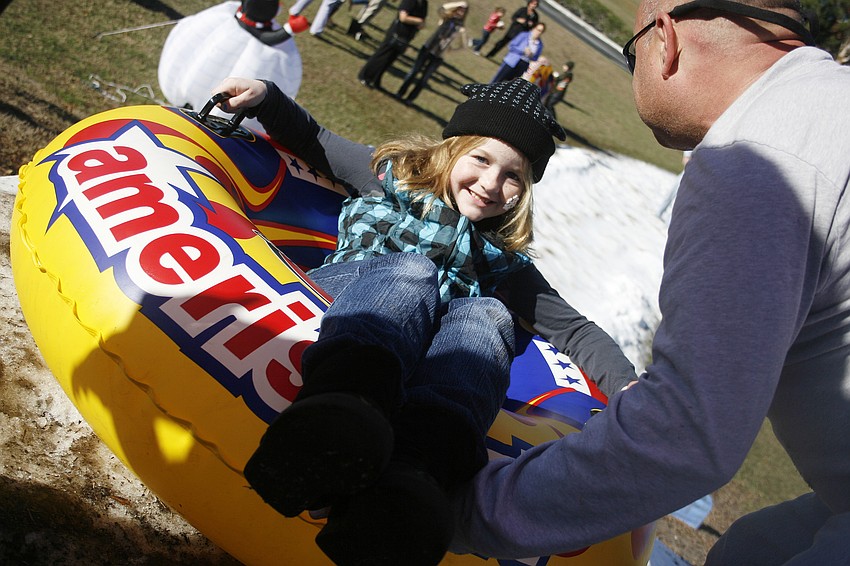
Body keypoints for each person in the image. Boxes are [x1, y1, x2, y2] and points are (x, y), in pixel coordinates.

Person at [449, 0, 850, 564]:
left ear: (665, 39)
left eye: (630, 54)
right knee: (751, 549)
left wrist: (459, 513)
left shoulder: (756, 156)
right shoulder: (825, 105)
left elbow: (685, 434)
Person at [213, 76, 638, 565]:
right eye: (481, 159)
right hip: (350, 299)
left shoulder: (504, 260)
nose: (491, 184)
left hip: (420, 354)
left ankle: (415, 477)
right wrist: (265, 97)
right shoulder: (394, 176)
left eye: (514, 176)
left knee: (487, 315)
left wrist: (628, 387)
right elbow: (315, 139)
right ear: (452, 149)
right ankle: (335, 421)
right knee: (414, 271)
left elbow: (574, 329)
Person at [396, 1, 469, 104]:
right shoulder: (446, 18)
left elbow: (464, 46)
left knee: (424, 79)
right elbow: (442, 8)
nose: (460, 12)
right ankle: (400, 93)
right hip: (428, 48)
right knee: (414, 71)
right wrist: (458, 4)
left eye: (463, 11)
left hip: (438, 56)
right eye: (459, 9)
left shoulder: (461, 28)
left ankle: (410, 99)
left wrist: (451, 49)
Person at [357, 0, 428, 89]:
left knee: (390, 59)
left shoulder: (424, 3)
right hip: (396, 33)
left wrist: (420, 24)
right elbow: (403, 17)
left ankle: (376, 79)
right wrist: (418, 21)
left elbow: (423, 21)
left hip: (407, 36)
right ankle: (365, 75)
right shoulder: (410, 1)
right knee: (382, 55)